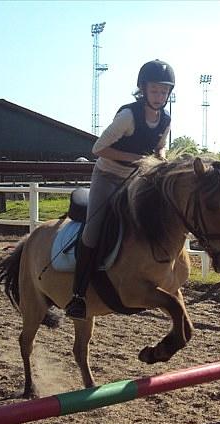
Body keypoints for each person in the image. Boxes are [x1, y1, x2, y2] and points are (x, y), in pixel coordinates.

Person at [65, 59, 175, 319]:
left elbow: (160, 146)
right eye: (155, 90)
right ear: (143, 89)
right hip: (107, 175)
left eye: (164, 91)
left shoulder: (165, 119)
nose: (159, 96)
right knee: (93, 230)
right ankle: (78, 296)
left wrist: (161, 157)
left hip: (136, 179)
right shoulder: (128, 116)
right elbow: (98, 149)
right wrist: (135, 159)